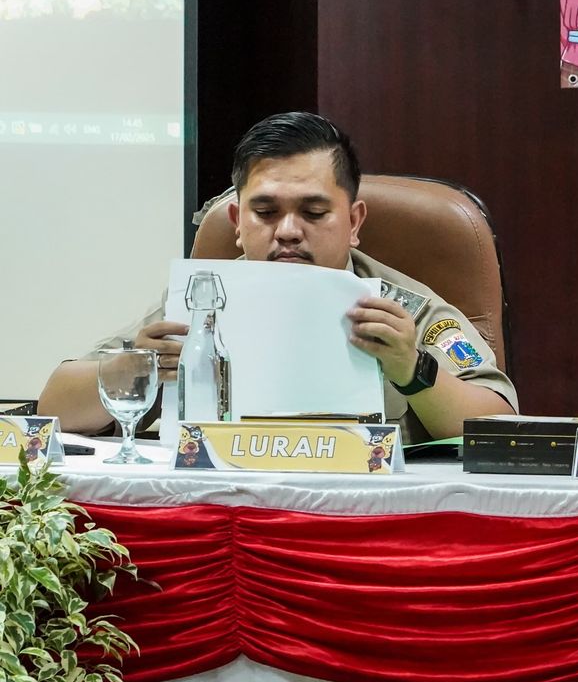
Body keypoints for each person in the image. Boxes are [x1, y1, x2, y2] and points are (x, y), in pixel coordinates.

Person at [38, 112, 516, 442]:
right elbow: (54, 407)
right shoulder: (203, 298)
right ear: (237, 223)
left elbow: (500, 428)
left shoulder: (404, 308)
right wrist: (133, 370)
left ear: (354, 222)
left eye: (313, 212)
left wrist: (413, 371)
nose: (288, 231)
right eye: (265, 212)